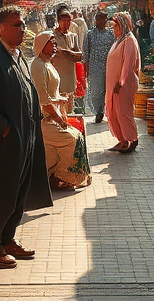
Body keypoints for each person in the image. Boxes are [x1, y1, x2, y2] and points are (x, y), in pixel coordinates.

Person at [0, 5, 52, 268]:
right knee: (0, 192)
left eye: (23, 25)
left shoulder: (18, 57)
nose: (22, 30)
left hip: (24, 137)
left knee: (19, 191)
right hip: (3, 141)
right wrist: (3, 128)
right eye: (16, 25)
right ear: (1, 28)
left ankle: (7, 239)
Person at [29, 31, 92, 190]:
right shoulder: (38, 65)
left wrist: (60, 99)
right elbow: (43, 100)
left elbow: (51, 94)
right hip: (44, 121)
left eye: (55, 42)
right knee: (73, 139)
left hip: (52, 117)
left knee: (77, 135)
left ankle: (62, 175)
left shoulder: (47, 63)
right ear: (43, 45)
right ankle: (62, 176)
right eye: (52, 42)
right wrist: (60, 121)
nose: (55, 45)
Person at [105, 12, 141, 153]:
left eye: (116, 27)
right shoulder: (120, 40)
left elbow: (128, 63)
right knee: (114, 111)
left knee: (124, 112)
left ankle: (132, 139)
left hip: (123, 85)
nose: (114, 30)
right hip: (114, 85)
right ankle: (122, 140)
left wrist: (121, 81)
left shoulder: (129, 41)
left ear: (123, 26)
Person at [82, 11, 116, 123]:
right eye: (98, 19)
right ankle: (98, 112)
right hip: (95, 68)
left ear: (105, 20)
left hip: (109, 67)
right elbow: (85, 52)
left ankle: (108, 112)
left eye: (102, 19)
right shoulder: (90, 34)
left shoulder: (111, 35)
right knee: (96, 91)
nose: (100, 21)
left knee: (108, 91)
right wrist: (85, 69)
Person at [52, 8, 83, 112]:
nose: (66, 24)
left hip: (70, 76)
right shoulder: (52, 36)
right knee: (58, 105)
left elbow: (79, 55)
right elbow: (57, 51)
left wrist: (70, 54)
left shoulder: (73, 36)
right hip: (57, 76)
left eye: (68, 21)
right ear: (59, 22)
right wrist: (70, 54)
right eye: (63, 21)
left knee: (69, 107)